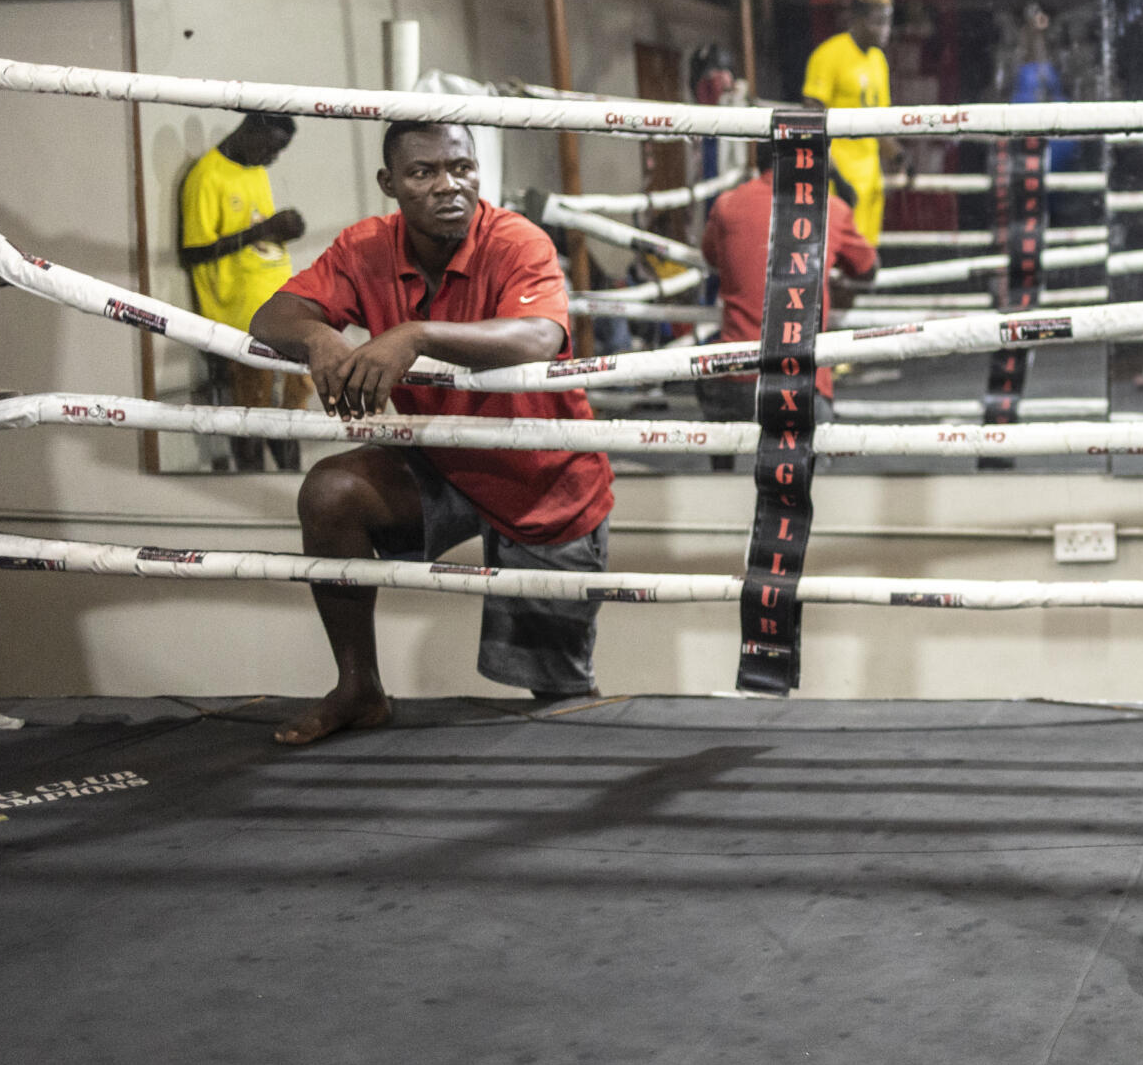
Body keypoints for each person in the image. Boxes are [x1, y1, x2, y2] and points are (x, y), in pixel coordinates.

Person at [250, 121, 616, 746]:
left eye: (462, 168)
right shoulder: (366, 247)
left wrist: (414, 334)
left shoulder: (516, 241)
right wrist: (320, 337)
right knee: (331, 492)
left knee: (560, 696)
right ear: (389, 183)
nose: (449, 186)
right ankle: (359, 687)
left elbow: (538, 337)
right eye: (424, 173)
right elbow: (271, 315)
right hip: (441, 463)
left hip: (541, 474)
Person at [694, 143, 878, 433]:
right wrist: (837, 181)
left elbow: (710, 258)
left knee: (720, 412)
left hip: (735, 378)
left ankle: (721, 471)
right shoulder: (832, 208)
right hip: (803, 383)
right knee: (817, 444)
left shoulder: (727, 204)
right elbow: (868, 269)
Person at [178, 111, 309, 470]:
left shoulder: (256, 171)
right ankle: (253, 486)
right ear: (252, 130)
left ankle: (289, 484)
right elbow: (193, 251)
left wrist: (281, 230)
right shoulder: (207, 175)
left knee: (294, 408)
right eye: (272, 148)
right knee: (254, 406)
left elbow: (257, 234)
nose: (273, 158)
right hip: (240, 316)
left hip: (280, 305)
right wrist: (263, 229)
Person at [801, 0, 895, 243]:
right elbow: (812, 122)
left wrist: (898, 157)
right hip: (838, 179)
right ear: (857, 19)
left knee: (865, 259)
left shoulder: (879, 61)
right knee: (837, 259)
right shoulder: (829, 55)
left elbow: (881, 120)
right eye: (878, 21)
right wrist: (835, 175)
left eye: (888, 22)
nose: (885, 30)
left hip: (870, 178)